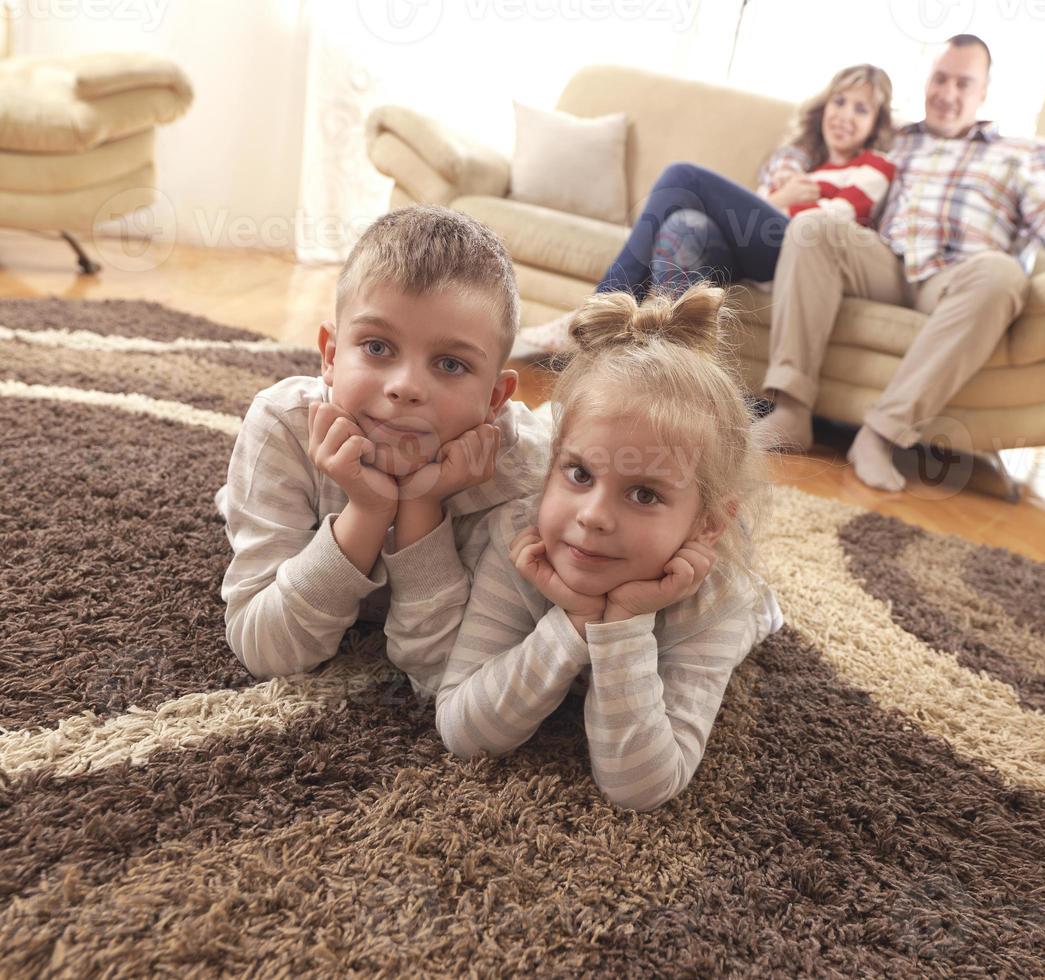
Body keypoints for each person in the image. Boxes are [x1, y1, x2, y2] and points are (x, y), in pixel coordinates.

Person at [437, 284, 784, 811]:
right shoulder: (520, 538)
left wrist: (621, 622)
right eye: (579, 473)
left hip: (731, 603)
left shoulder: (716, 602)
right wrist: (574, 621)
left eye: (644, 494)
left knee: (761, 610)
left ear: (708, 524)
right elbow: (464, 732)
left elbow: (641, 788)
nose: (593, 516)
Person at [752, 34, 1045, 491]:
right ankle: (791, 411)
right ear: (927, 81)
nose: (948, 94)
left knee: (1003, 274)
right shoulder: (893, 141)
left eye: (963, 83)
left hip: (958, 276)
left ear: (983, 92)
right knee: (813, 228)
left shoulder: (1020, 155)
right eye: (940, 79)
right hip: (885, 262)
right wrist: (785, 172)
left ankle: (881, 434)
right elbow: (820, 149)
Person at [214, 205, 550, 695]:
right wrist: (368, 512)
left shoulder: (523, 480)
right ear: (330, 355)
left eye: (451, 365)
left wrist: (420, 508)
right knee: (239, 505)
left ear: (496, 399)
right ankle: (237, 500)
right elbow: (266, 650)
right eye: (376, 347)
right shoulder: (284, 426)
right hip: (287, 482)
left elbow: (443, 677)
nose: (406, 387)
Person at [511, 63, 897, 360]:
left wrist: (780, 200)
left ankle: (595, 314)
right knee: (684, 225)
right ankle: (664, 361)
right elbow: (757, 214)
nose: (845, 115)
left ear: (876, 123)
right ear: (824, 106)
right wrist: (783, 195)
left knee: (683, 177)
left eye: (860, 109)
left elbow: (826, 227)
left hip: (797, 257)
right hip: (754, 254)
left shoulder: (874, 168)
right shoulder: (796, 163)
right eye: (840, 102)